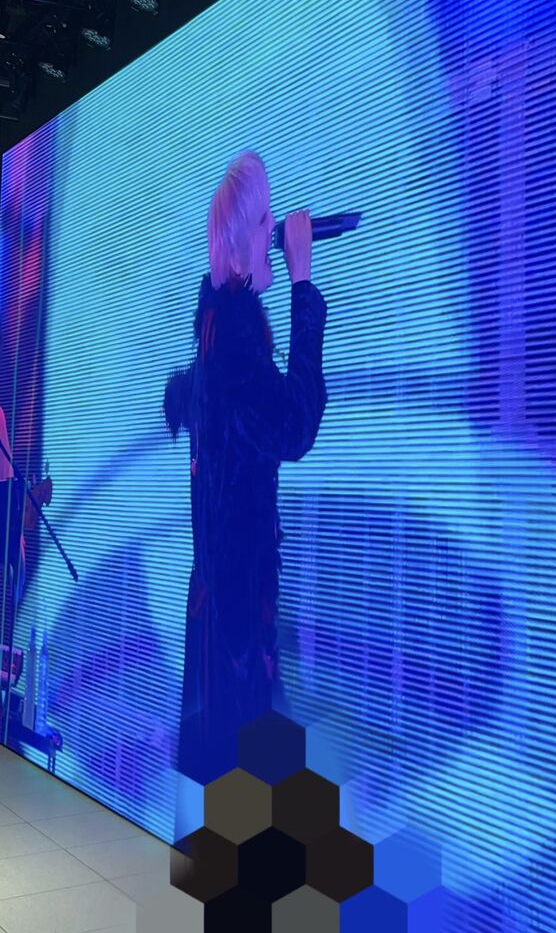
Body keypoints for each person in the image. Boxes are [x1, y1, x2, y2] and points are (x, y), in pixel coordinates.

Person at [163, 151, 327, 786]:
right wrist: (303, 285)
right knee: (247, 793)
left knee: (229, 789)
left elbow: (202, 397)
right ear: (237, 250)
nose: (276, 234)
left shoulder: (217, 337)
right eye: (265, 223)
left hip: (223, 616)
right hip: (235, 631)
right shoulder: (233, 345)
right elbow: (296, 425)